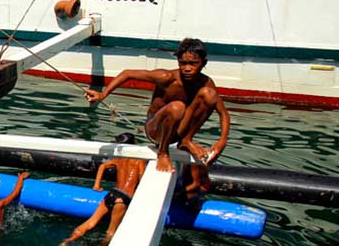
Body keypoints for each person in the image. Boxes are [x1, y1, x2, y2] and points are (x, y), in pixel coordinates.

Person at [84, 38, 230, 192]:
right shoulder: (167, 78)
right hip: (155, 129)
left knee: (209, 95)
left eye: (193, 64)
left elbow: (224, 114)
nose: (187, 68)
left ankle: (186, 141)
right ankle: (163, 152)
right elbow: (127, 74)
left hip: (178, 130)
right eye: (183, 63)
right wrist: (102, 95)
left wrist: (222, 141)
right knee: (177, 107)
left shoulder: (206, 83)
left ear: (204, 63)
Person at [59, 133, 146, 246]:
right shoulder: (139, 161)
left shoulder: (119, 159)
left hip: (112, 193)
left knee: (90, 222)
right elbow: (142, 179)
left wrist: (97, 185)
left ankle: (67, 241)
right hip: (123, 198)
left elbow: (102, 166)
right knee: (111, 231)